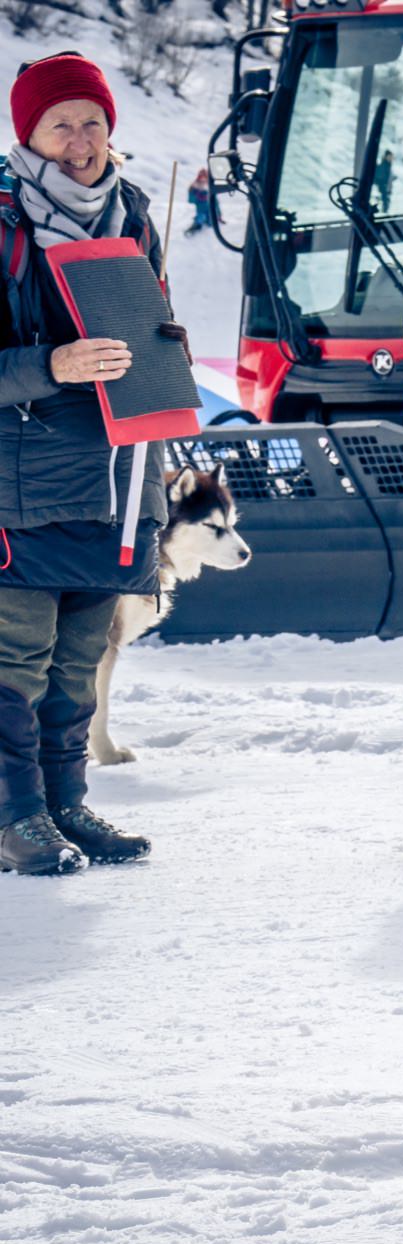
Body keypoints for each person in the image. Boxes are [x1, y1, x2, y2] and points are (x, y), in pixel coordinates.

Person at [0, 51, 176, 876]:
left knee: (79, 657)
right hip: (22, 482)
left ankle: (66, 802)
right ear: (27, 134)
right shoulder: (3, 222)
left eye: (93, 122)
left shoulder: (132, 213)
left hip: (118, 474)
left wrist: (164, 350)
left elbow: (150, 325)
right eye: (60, 123)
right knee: (16, 660)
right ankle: (16, 817)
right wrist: (51, 366)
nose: (80, 140)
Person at [186, 165, 211, 234]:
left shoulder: (209, 188)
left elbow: (215, 204)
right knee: (201, 218)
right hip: (201, 211)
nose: (203, 180)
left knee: (210, 222)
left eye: (204, 178)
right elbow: (190, 200)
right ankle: (193, 228)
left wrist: (219, 215)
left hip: (210, 212)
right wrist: (196, 194)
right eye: (201, 178)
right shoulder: (194, 187)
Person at [373, 150, 394, 216]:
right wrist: (384, 186)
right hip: (383, 188)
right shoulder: (384, 165)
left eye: (391, 157)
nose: (391, 158)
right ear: (386, 156)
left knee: (386, 205)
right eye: (389, 156)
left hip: (386, 188)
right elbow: (381, 177)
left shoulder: (388, 165)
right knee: (384, 205)